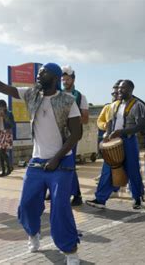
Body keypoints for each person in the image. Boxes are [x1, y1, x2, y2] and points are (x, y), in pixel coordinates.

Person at [0, 58, 82, 264]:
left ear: (55, 78)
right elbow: (0, 87)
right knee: (26, 205)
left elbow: (77, 133)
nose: (37, 76)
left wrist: (57, 159)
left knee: (60, 208)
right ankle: (33, 234)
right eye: (38, 73)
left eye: (43, 73)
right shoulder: (31, 94)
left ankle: (71, 250)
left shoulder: (68, 101)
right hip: (37, 163)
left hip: (61, 164)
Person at [86, 80, 145, 210]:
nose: (119, 91)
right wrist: (107, 135)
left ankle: (137, 198)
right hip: (114, 141)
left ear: (131, 90)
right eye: (118, 88)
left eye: (123, 88)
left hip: (129, 141)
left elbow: (141, 125)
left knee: (132, 169)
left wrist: (122, 132)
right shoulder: (114, 105)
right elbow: (109, 123)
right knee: (107, 170)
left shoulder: (138, 105)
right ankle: (100, 199)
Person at [62, 66, 89, 206]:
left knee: (69, 164)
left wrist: (71, 118)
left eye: (67, 79)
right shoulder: (57, 94)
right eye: (63, 79)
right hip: (58, 134)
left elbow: (85, 118)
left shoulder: (80, 97)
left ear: (73, 79)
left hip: (72, 135)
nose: (65, 82)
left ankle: (77, 194)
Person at [0, 99, 15, 177]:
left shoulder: (9, 113)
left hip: (7, 133)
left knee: (2, 152)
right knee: (0, 152)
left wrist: (5, 117)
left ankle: (9, 167)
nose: (0, 109)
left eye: (2, 107)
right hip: (0, 133)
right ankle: (4, 170)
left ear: (5, 107)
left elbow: (12, 125)